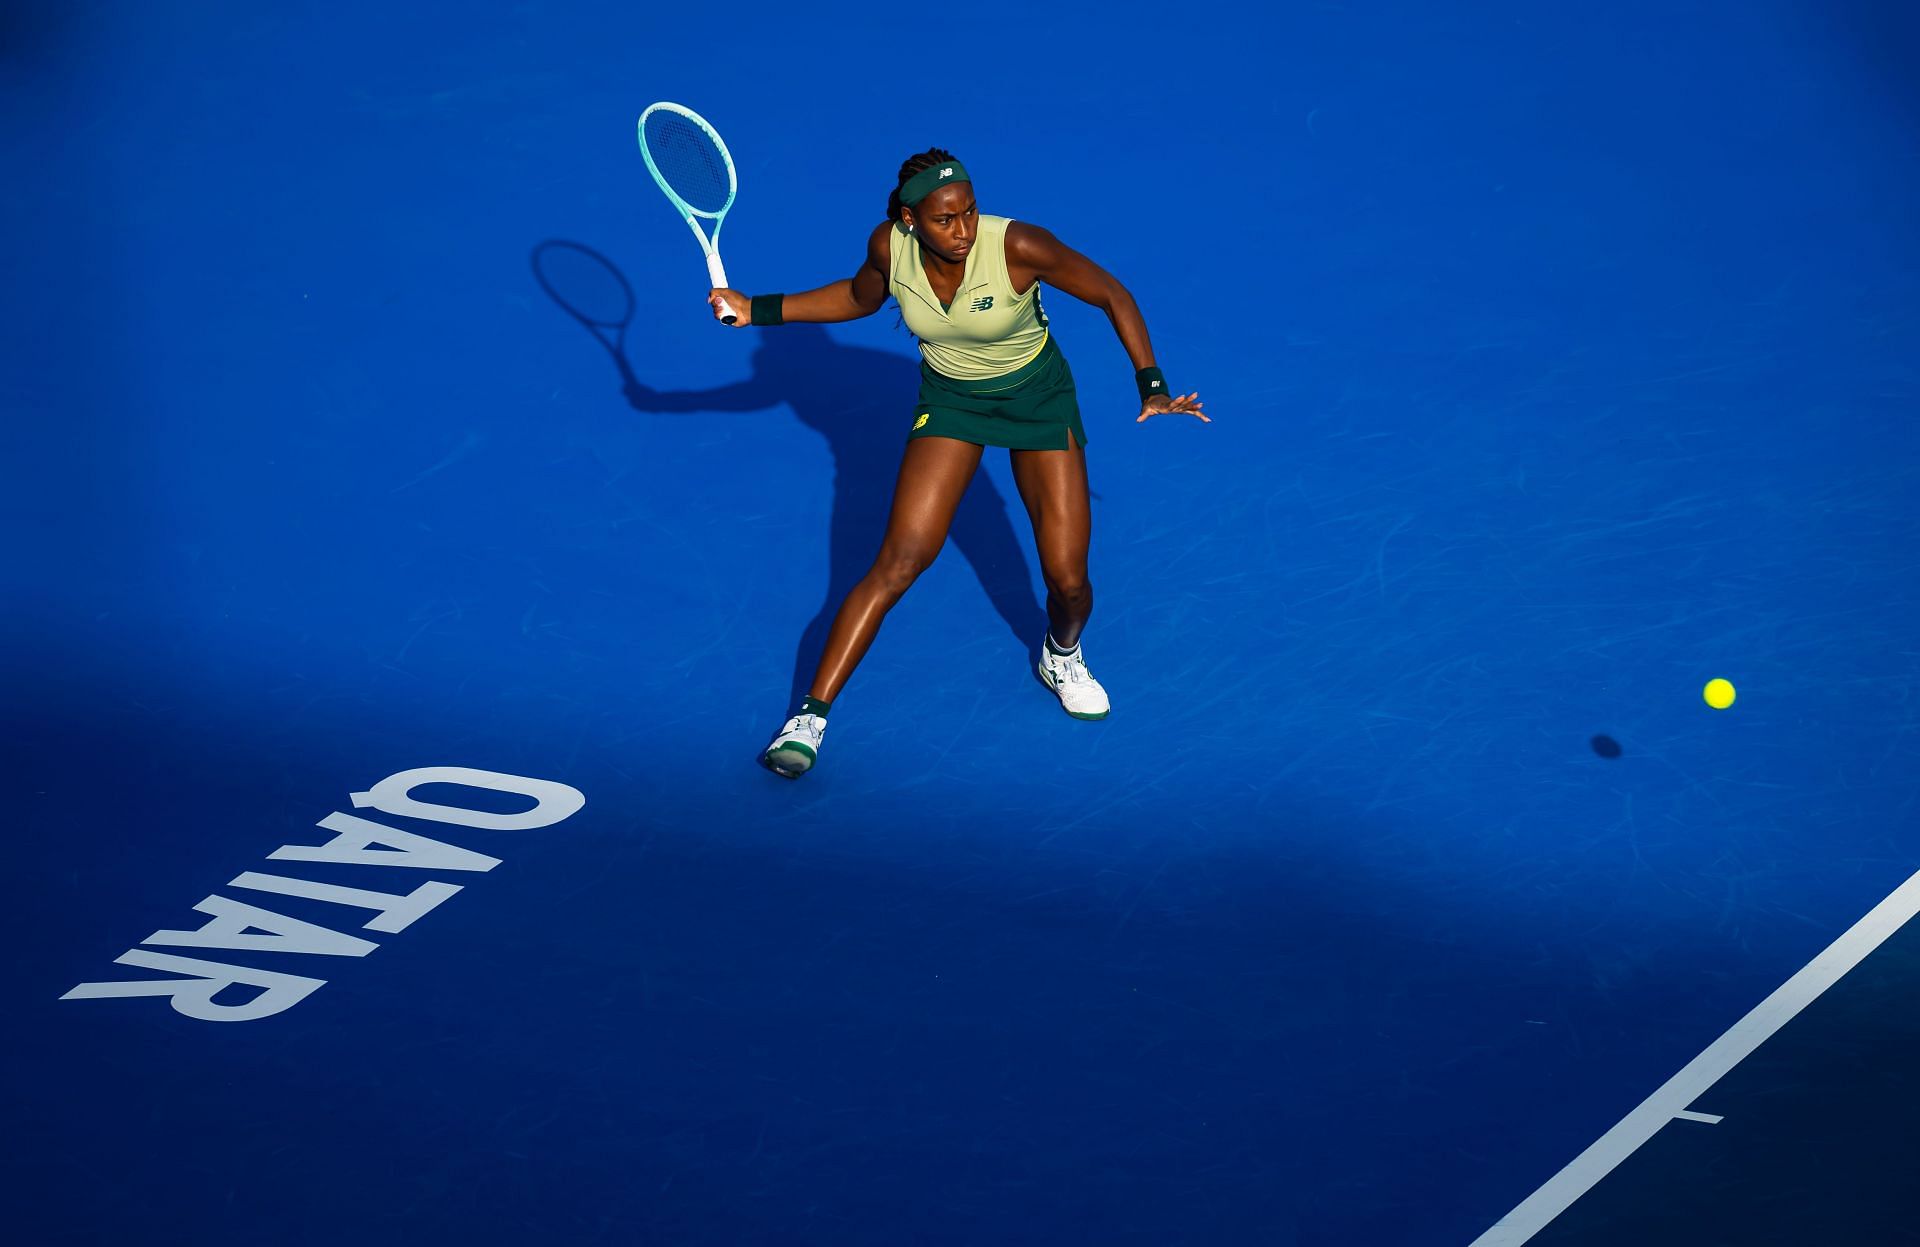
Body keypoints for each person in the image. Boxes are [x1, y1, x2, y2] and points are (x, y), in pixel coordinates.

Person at [708, 148, 1208, 778]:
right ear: (911, 220)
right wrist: (759, 308)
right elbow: (859, 298)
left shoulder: (1018, 245)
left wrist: (1152, 385)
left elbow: (1112, 292)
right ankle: (808, 719)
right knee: (900, 558)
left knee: (1068, 580)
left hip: (1038, 401)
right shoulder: (890, 249)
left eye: (969, 212)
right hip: (950, 401)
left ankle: (1062, 653)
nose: (964, 230)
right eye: (946, 220)